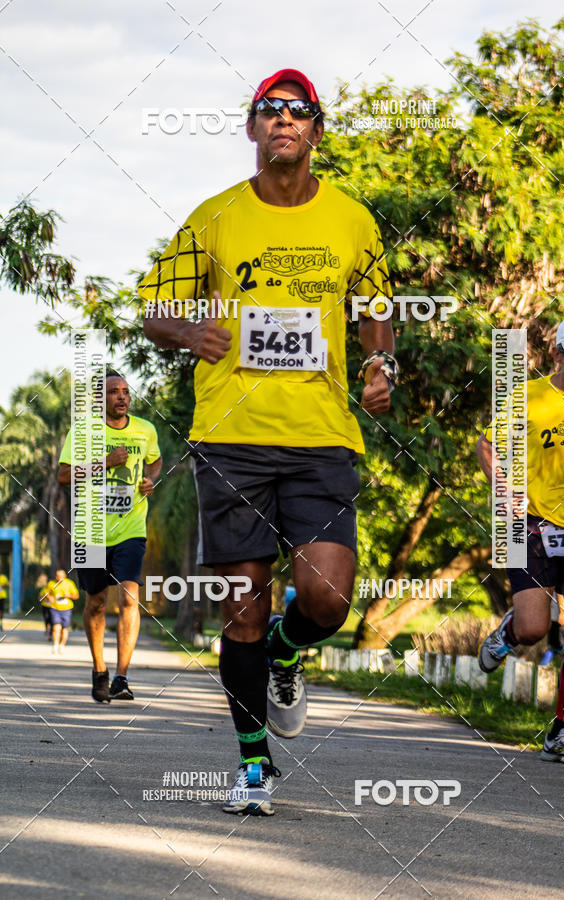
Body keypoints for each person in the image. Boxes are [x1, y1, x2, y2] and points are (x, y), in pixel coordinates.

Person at [141, 68, 397, 815]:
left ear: (316, 131)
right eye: (269, 110)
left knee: (327, 596)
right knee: (242, 608)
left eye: (299, 111)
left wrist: (380, 360)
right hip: (233, 437)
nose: (283, 120)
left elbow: (375, 309)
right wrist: (186, 327)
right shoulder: (215, 219)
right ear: (252, 129)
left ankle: (288, 653)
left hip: (320, 436)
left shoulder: (353, 221)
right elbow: (155, 306)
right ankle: (253, 768)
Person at [477, 314, 564, 765]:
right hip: (530, 523)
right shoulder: (528, 397)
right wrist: (503, 487)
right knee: (534, 629)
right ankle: (506, 634)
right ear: (556, 354)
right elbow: (487, 445)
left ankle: (561, 732)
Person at [58, 372, 162, 701]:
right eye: (114, 392)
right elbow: (63, 475)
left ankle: (121, 677)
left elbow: (156, 462)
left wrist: (150, 480)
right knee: (96, 603)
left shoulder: (145, 429)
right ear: (100, 399)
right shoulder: (83, 431)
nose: (122, 397)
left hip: (131, 527)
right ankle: (100, 669)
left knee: (130, 599)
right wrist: (105, 462)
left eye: (125, 392)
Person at [48, 569, 79, 654]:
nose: (60, 578)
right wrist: (49, 598)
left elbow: (76, 595)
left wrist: (69, 595)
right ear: (56, 576)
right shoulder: (51, 584)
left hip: (66, 609)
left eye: (61, 576)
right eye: (58, 576)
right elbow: (47, 594)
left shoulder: (69, 583)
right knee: (56, 627)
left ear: (65, 576)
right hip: (55, 608)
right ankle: (55, 644)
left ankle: (62, 645)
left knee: (64, 628)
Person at [38, 573, 54, 640]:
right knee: (46, 618)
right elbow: (39, 598)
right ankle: (47, 628)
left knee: (52, 620)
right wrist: (44, 597)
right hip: (45, 606)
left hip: (53, 606)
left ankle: (51, 633)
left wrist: (50, 597)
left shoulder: (55, 589)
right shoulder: (44, 589)